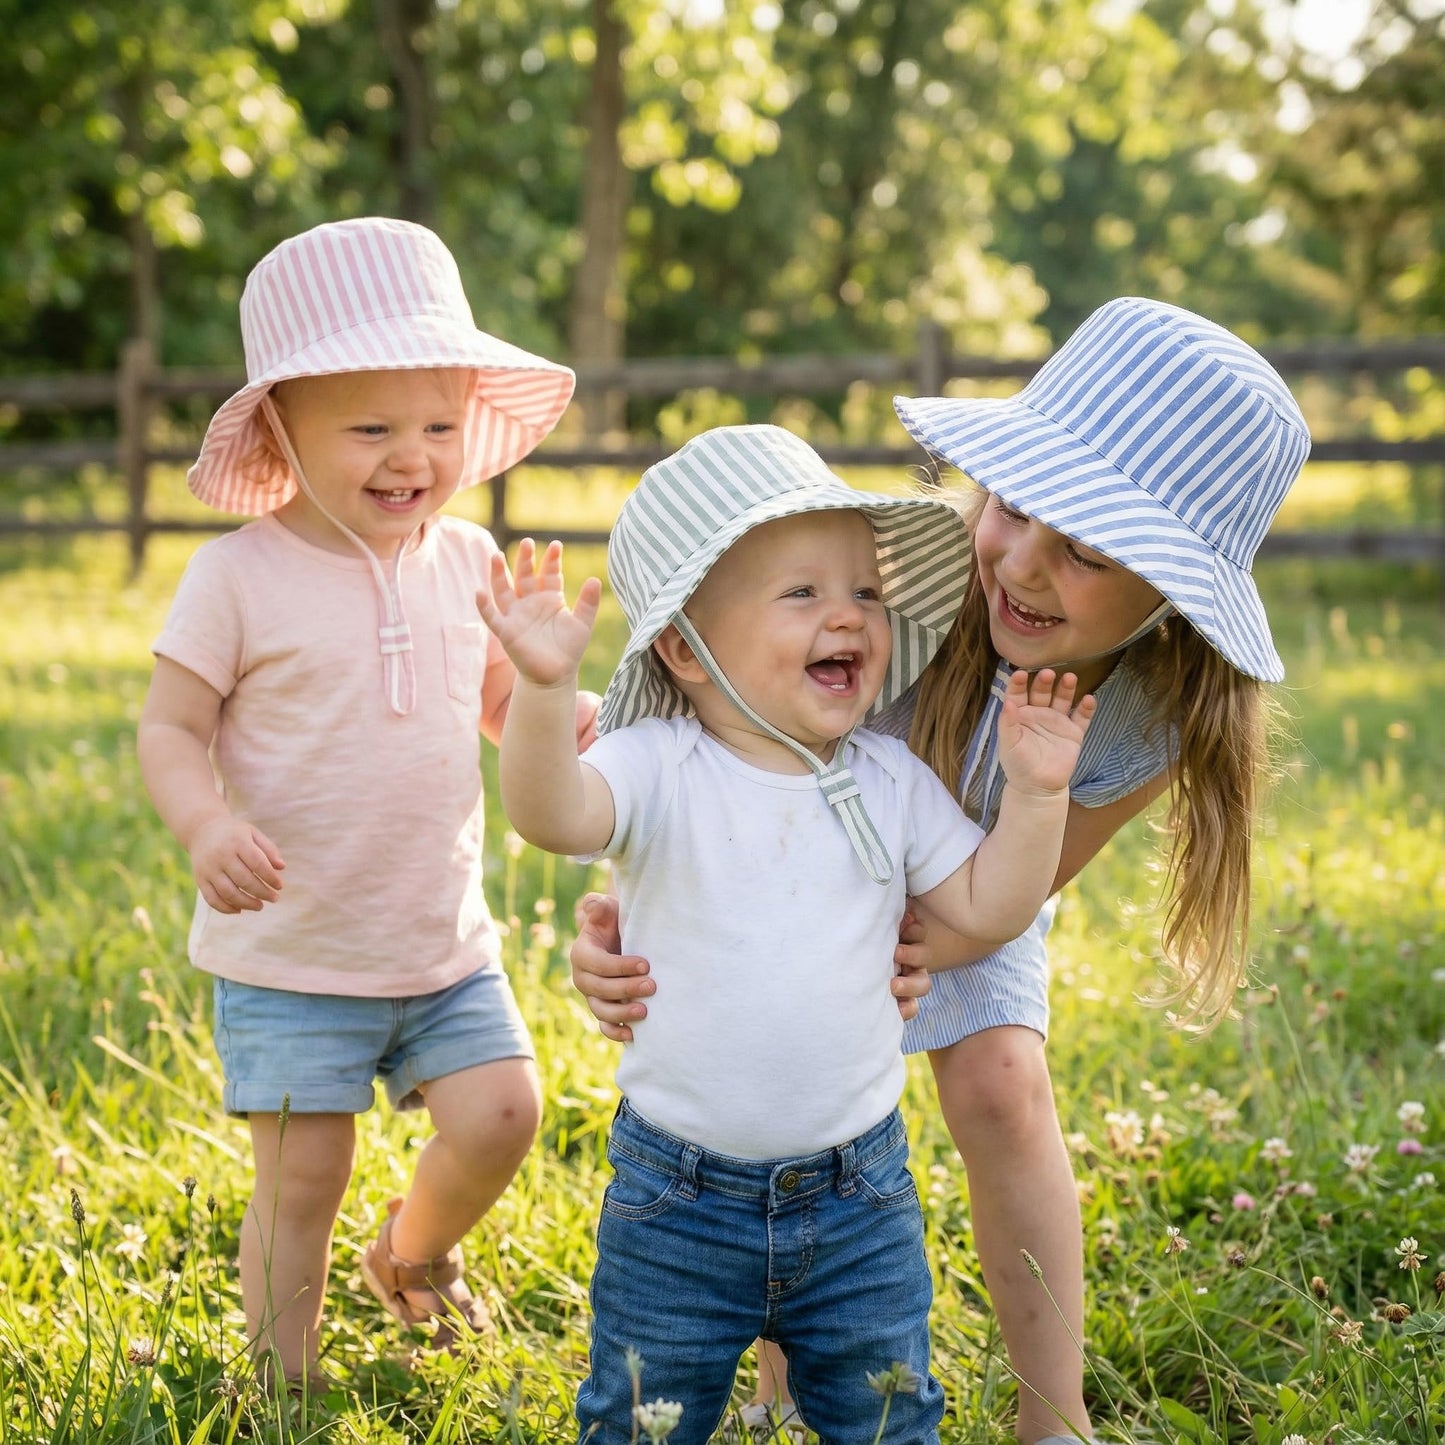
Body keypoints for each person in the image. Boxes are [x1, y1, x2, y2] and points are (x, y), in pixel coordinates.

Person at [569, 297, 1312, 1444]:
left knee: (1000, 1085)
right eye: (1014, 504)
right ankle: (780, 1357)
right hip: (778, 871)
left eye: (1086, 548)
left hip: (974, 887)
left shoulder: (1155, 711)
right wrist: (631, 914)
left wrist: (908, 946)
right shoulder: (893, 590)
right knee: (782, 1083)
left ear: (1169, 590)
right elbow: (724, 769)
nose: (1019, 559)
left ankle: (1049, 1413)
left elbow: (1019, 888)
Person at [477, 422, 1097, 1445]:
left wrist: (1035, 796)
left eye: (862, 591)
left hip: (858, 1196)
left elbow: (988, 908)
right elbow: (554, 814)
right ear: (682, 646)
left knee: (890, 1418)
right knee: (638, 1419)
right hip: (674, 1199)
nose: (847, 614)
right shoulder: (655, 764)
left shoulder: (890, 782)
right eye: (801, 593)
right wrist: (545, 693)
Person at [136, 216, 591, 1391]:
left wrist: (553, 711)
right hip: (292, 952)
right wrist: (205, 824)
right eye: (373, 426)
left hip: (439, 942)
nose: (414, 456)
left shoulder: (467, 557)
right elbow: (171, 727)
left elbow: (492, 696)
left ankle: (412, 1249)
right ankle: (282, 1385)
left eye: (440, 424)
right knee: (303, 1175)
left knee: (502, 1113)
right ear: (282, 425)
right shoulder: (235, 576)